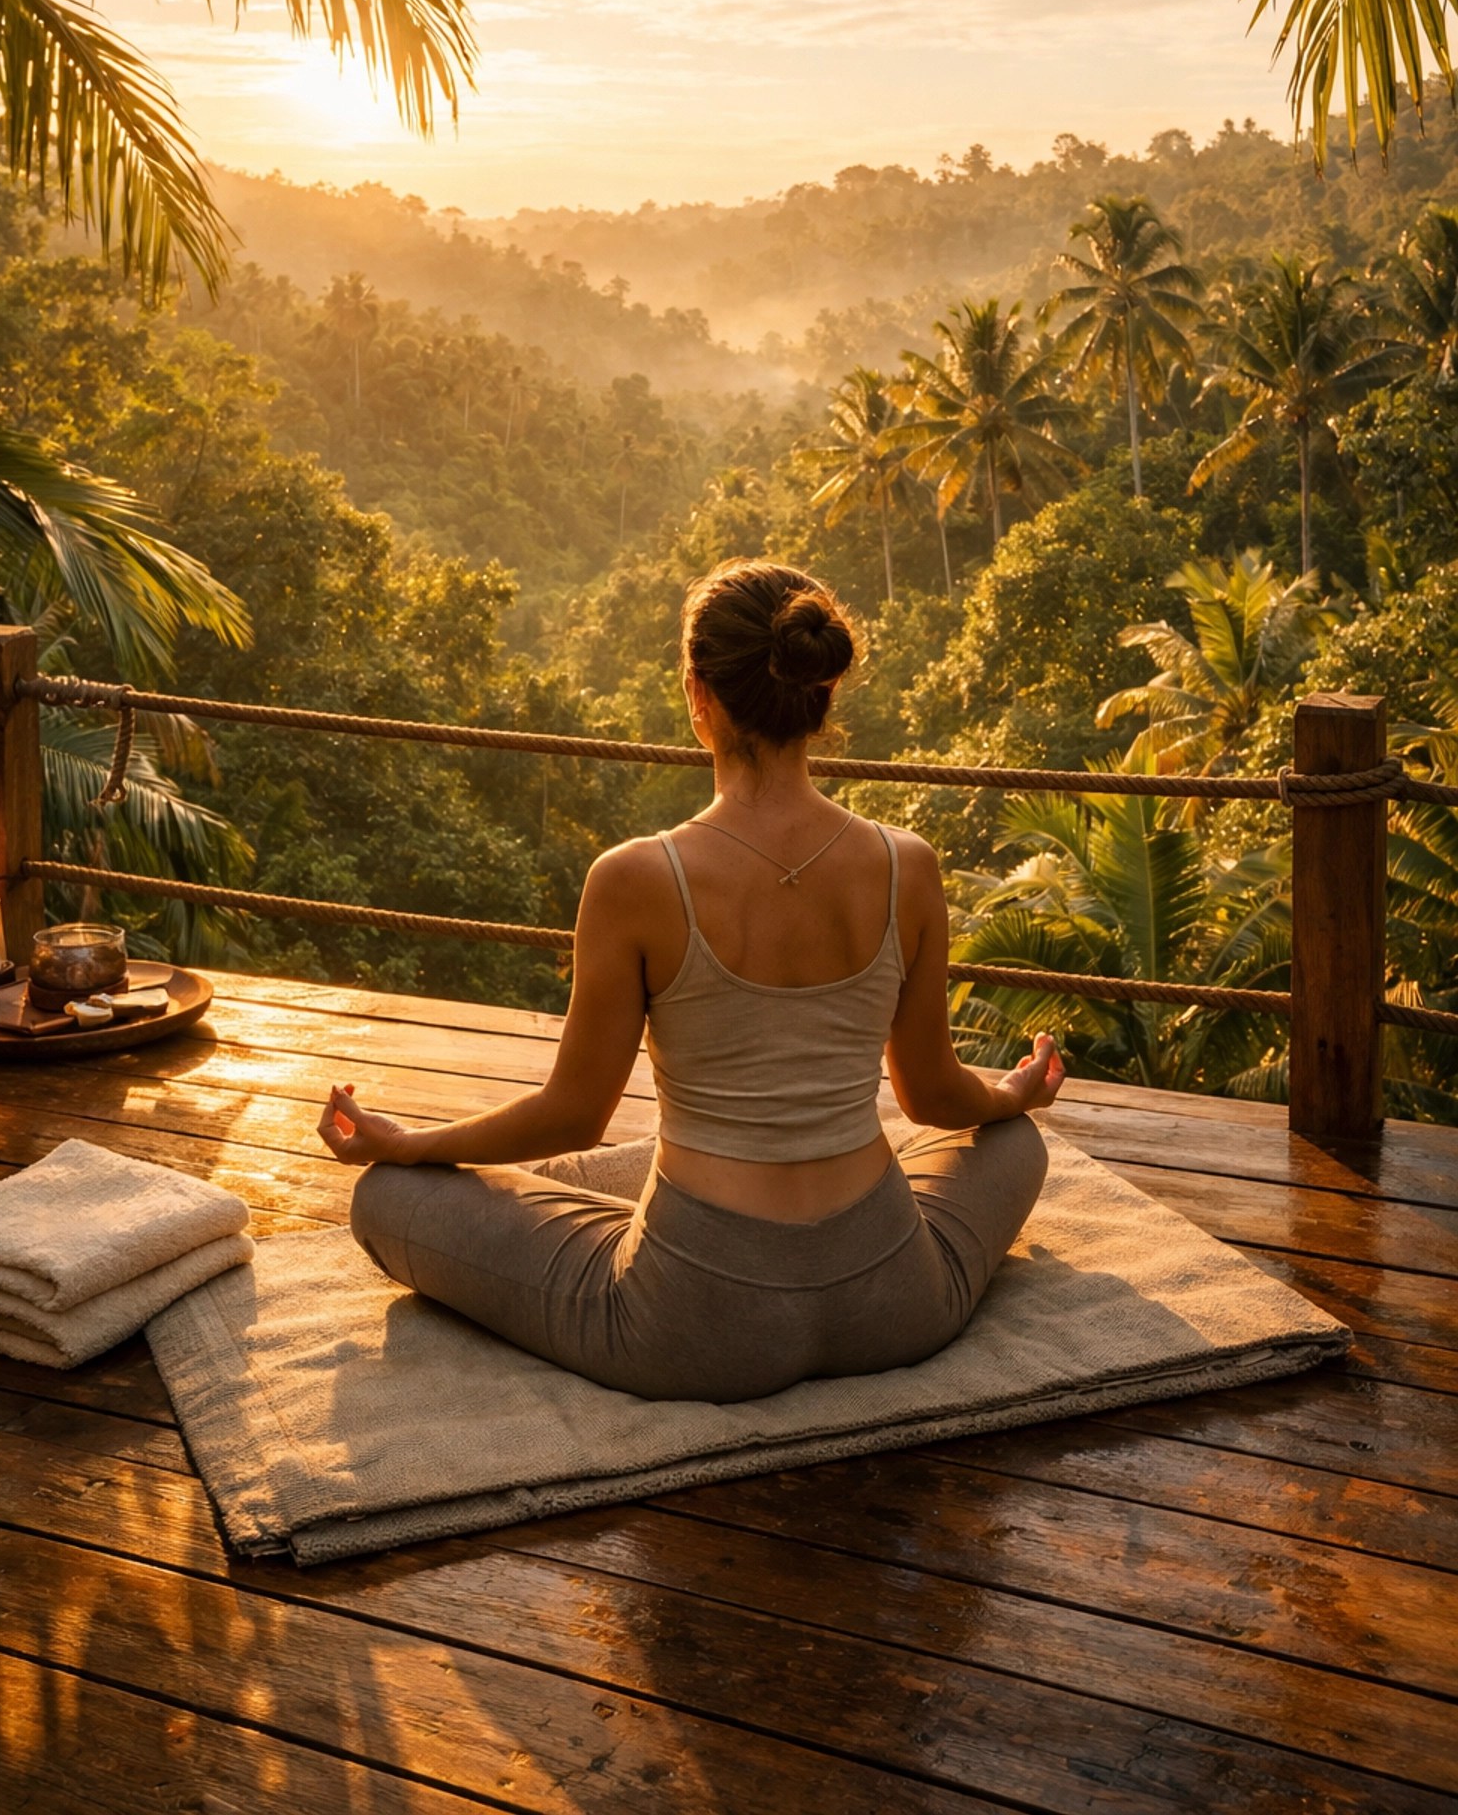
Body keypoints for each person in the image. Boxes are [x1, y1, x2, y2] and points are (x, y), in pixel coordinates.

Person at [320, 558, 1062, 1403]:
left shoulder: (636, 879)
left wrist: (409, 1144)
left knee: (388, 1201)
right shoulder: (907, 865)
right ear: (820, 693)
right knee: (1010, 1141)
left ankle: (583, 1202)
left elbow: (573, 1115)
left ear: (696, 694)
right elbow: (933, 1098)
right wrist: (1012, 1094)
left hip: (693, 1325)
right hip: (892, 1300)